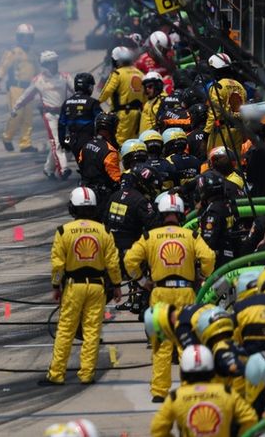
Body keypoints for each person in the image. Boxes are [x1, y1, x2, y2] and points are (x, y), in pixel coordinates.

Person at [124, 192, 216, 401]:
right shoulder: (191, 235)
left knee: (161, 344)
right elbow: (209, 257)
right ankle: (189, 386)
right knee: (187, 342)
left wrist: (140, 281)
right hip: (186, 291)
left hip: (159, 292)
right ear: (180, 213)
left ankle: (159, 391)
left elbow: (130, 260)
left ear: (162, 212)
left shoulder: (150, 236)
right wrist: (203, 276)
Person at [40, 186, 121, 386]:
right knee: (92, 331)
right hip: (97, 287)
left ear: (72, 208)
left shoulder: (63, 232)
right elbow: (113, 263)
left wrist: (55, 286)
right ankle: (87, 374)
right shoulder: (104, 231)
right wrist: (117, 285)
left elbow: (58, 265)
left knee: (66, 330)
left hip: (73, 286)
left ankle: (56, 374)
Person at [150, 345, 258, 437]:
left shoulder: (176, 396)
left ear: (183, 371)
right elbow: (250, 420)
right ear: (211, 370)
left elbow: (157, 429)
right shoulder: (226, 392)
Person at [104, 167, 158, 314]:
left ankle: (87, 314)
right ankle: (144, 308)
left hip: (111, 252)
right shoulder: (141, 201)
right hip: (131, 253)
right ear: (142, 183)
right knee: (149, 277)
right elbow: (154, 226)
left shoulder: (114, 196)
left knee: (107, 288)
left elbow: (105, 222)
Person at [13, 50, 72, 179]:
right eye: (50, 63)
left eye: (54, 63)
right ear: (44, 65)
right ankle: (63, 169)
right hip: (49, 115)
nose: (54, 66)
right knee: (56, 143)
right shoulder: (38, 80)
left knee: (67, 142)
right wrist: (16, 107)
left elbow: (78, 91)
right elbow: (26, 96)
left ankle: (48, 168)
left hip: (66, 115)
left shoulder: (65, 77)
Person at [0, 23, 38, 152]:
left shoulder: (33, 54)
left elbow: (37, 70)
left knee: (28, 117)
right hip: (16, 88)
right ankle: (7, 137)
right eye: (24, 37)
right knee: (17, 114)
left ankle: (25, 143)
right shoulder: (13, 52)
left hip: (30, 88)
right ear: (19, 37)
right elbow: (4, 66)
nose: (27, 40)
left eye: (29, 37)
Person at [99, 46, 145, 145]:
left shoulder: (117, 74)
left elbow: (106, 91)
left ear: (116, 60)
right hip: (138, 113)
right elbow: (145, 96)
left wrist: (96, 102)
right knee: (134, 141)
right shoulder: (140, 73)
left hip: (122, 115)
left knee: (119, 141)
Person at [78, 112, 122, 209]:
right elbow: (116, 179)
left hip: (85, 190)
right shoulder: (110, 151)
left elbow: (81, 163)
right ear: (112, 129)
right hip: (102, 197)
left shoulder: (86, 145)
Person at [206, 53, 248, 153]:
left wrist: (206, 133)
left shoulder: (217, 86)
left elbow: (214, 113)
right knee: (236, 162)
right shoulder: (240, 86)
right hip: (238, 131)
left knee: (217, 161)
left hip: (222, 132)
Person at [197, 170, 239, 266]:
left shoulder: (213, 211)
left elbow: (208, 242)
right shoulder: (229, 204)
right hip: (231, 253)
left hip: (218, 260)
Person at [59, 72, 102, 162]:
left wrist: (63, 142)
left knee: (81, 163)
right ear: (88, 87)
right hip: (89, 141)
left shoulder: (66, 103)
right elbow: (102, 121)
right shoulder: (92, 102)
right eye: (91, 86)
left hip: (72, 141)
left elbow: (61, 124)